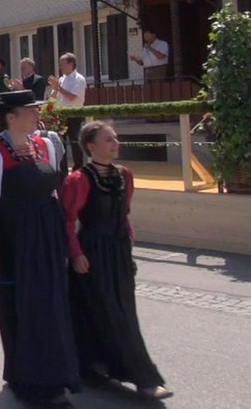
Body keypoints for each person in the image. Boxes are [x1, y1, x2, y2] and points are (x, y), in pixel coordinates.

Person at [0, 90, 80, 405]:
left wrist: (65, 237)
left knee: (51, 303)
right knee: (21, 306)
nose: (36, 115)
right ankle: (28, 379)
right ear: (11, 116)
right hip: (14, 239)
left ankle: (55, 373)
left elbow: (54, 191)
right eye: (30, 110)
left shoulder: (45, 144)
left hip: (46, 235)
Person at [63, 121, 172, 400]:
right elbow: (68, 221)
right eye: (108, 140)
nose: (115, 144)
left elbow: (125, 214)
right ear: (91, 146)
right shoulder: (79, 179)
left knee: (124, 311)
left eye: (115, 138)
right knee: (107, 313)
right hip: (92, 253)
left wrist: (129, 243)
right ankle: (144, 378)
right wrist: (76, 254)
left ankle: (105, 366)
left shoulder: (125, 175)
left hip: (118, 251)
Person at [48, 52, 87, 174]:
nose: (60, 66)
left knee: (75, 142)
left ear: (71, 64)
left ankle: (79, 168)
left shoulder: (79, 79)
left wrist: (59, 88)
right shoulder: (61, 79)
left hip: (74, 115)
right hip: (61, 115)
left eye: (63, 64)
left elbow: (72, 98)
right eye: (60, 64)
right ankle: (63, 170)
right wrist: (55, 90)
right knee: (61, 143)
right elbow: (53, 98)